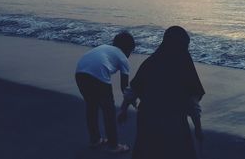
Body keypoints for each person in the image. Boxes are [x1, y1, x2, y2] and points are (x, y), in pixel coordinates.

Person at [118, 26, 205, 159]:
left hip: (147, 118)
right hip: (174, 123)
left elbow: (132, 91)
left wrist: (123, 110)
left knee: (146, 152)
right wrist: (198, 128)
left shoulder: (151, 62)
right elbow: (192, 104)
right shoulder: (184, 65)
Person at [75, 31, 135, 153]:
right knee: (109, 111)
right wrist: (132, 100)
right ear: (128, 49)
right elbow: (124, 87)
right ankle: (114, 145)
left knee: (92, 106)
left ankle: (95, 139)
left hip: (80, 72)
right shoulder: (123, 58)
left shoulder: (104, 47)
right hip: (98, 75)